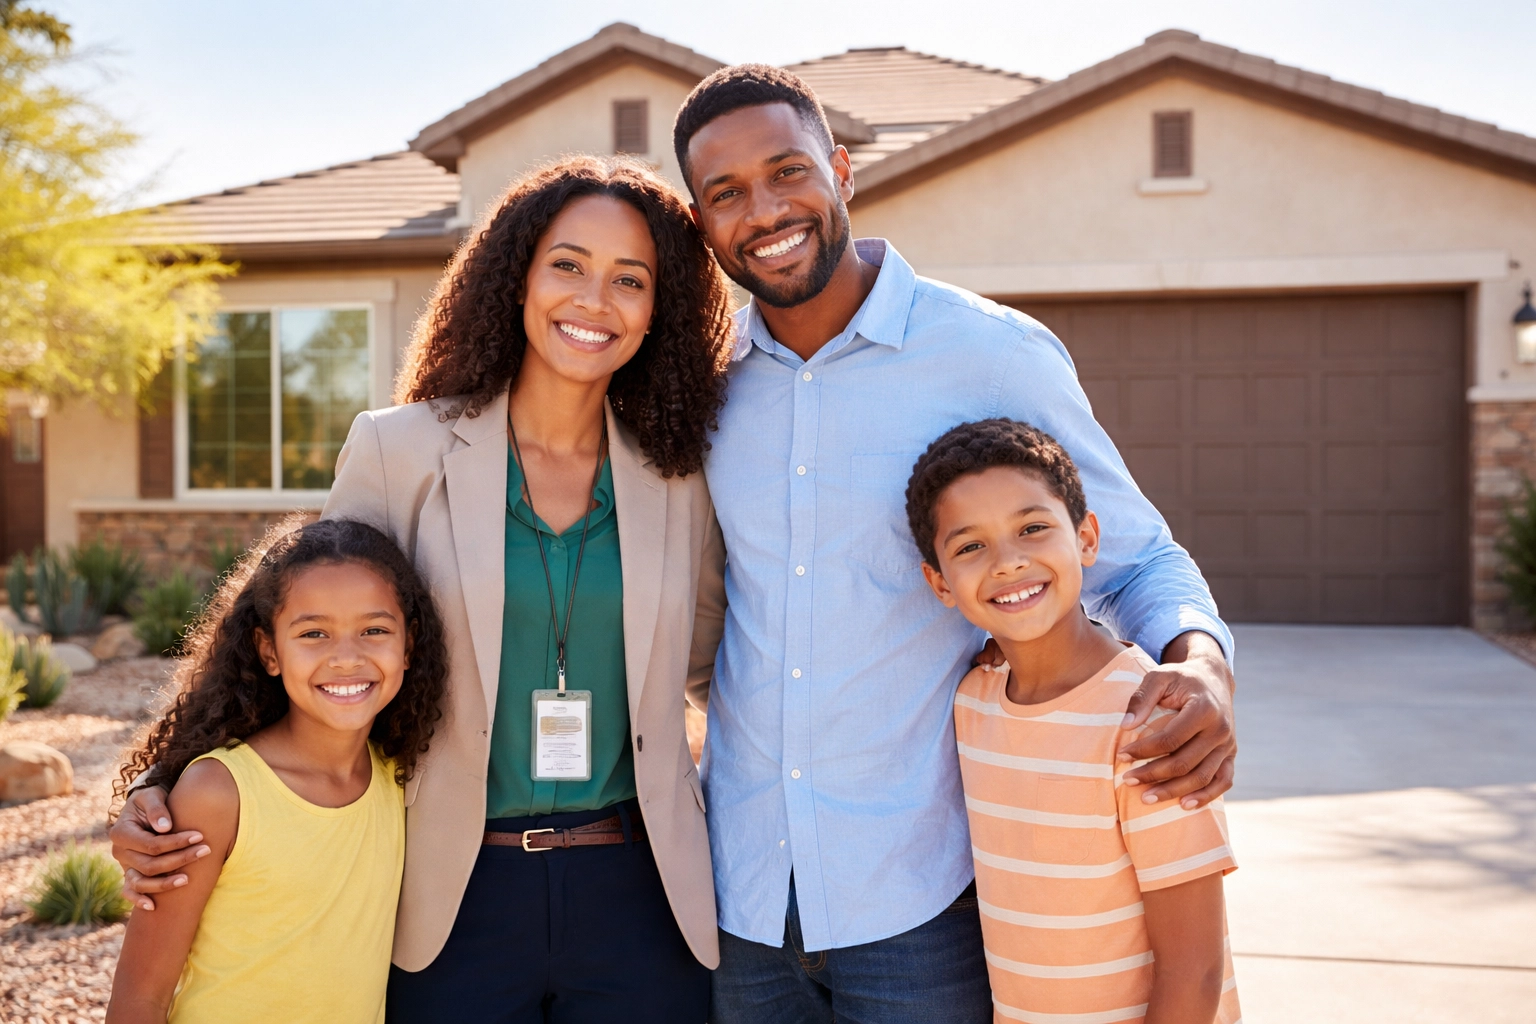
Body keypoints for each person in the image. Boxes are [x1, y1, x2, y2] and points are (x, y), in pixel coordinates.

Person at [673, 65, 1241, 1021]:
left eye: (788, 171)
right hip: (738, 900)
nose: (764, 210)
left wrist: (1204, 667)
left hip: (921, 899)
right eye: (726, 193)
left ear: (842, 171)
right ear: (701, 224)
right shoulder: (705, 384)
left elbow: (1140, 557)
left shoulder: (991, 352)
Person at [110, 156, 735, 1023]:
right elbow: (315, 641)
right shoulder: (397, 450)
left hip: (640, 885)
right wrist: (163, 783)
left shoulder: (681, 479)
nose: (594, 300)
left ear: (656, 311)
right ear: (517, 276)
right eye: (567, 264)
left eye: (630, 279)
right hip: (446, 888)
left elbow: (715, 666)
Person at [908, 419, 1241, 1024]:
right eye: (969, 546)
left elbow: (1195, 970)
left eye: (1033, 528)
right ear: (939, 582)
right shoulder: (972, 701)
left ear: (1086, 537)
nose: (1008, 562)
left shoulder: (1151, 721)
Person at [105, 518, 450, 1023]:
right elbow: (141, 996)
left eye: (374, 630)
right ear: (269, 651)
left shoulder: (399, 778)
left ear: (409, 645)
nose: (346, 658)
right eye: (314, 633)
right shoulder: (219, 793)